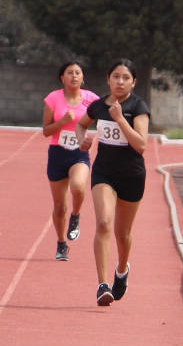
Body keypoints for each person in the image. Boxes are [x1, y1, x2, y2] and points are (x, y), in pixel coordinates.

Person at [75, 59, 150, 306]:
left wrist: (120, 119)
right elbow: (81, 124)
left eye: (125, 77)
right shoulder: (97, 106)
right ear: (108, 79)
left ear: (133, 82)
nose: (120, 81)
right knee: (104, 223)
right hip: (103, 173)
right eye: (116, 76)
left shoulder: (138, 107)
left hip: (131, 175)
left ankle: (121, 270)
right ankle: (102, 284)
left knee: (123, 233)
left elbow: (141, 145)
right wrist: (82, 140)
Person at [41, 61, 100, 261]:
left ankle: (76, 216)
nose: (74, 76)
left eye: (78, 72)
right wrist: (62, 122)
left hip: (79, 152)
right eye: (70, 73)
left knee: (78, 186)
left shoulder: (91, 99)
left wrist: (91, 139)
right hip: (58, 153)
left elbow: (105, 117)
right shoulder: (53, 99)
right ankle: (61, 244)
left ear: (83, 77)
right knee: (59, 206)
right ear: (62, 78)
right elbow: (46, 131)